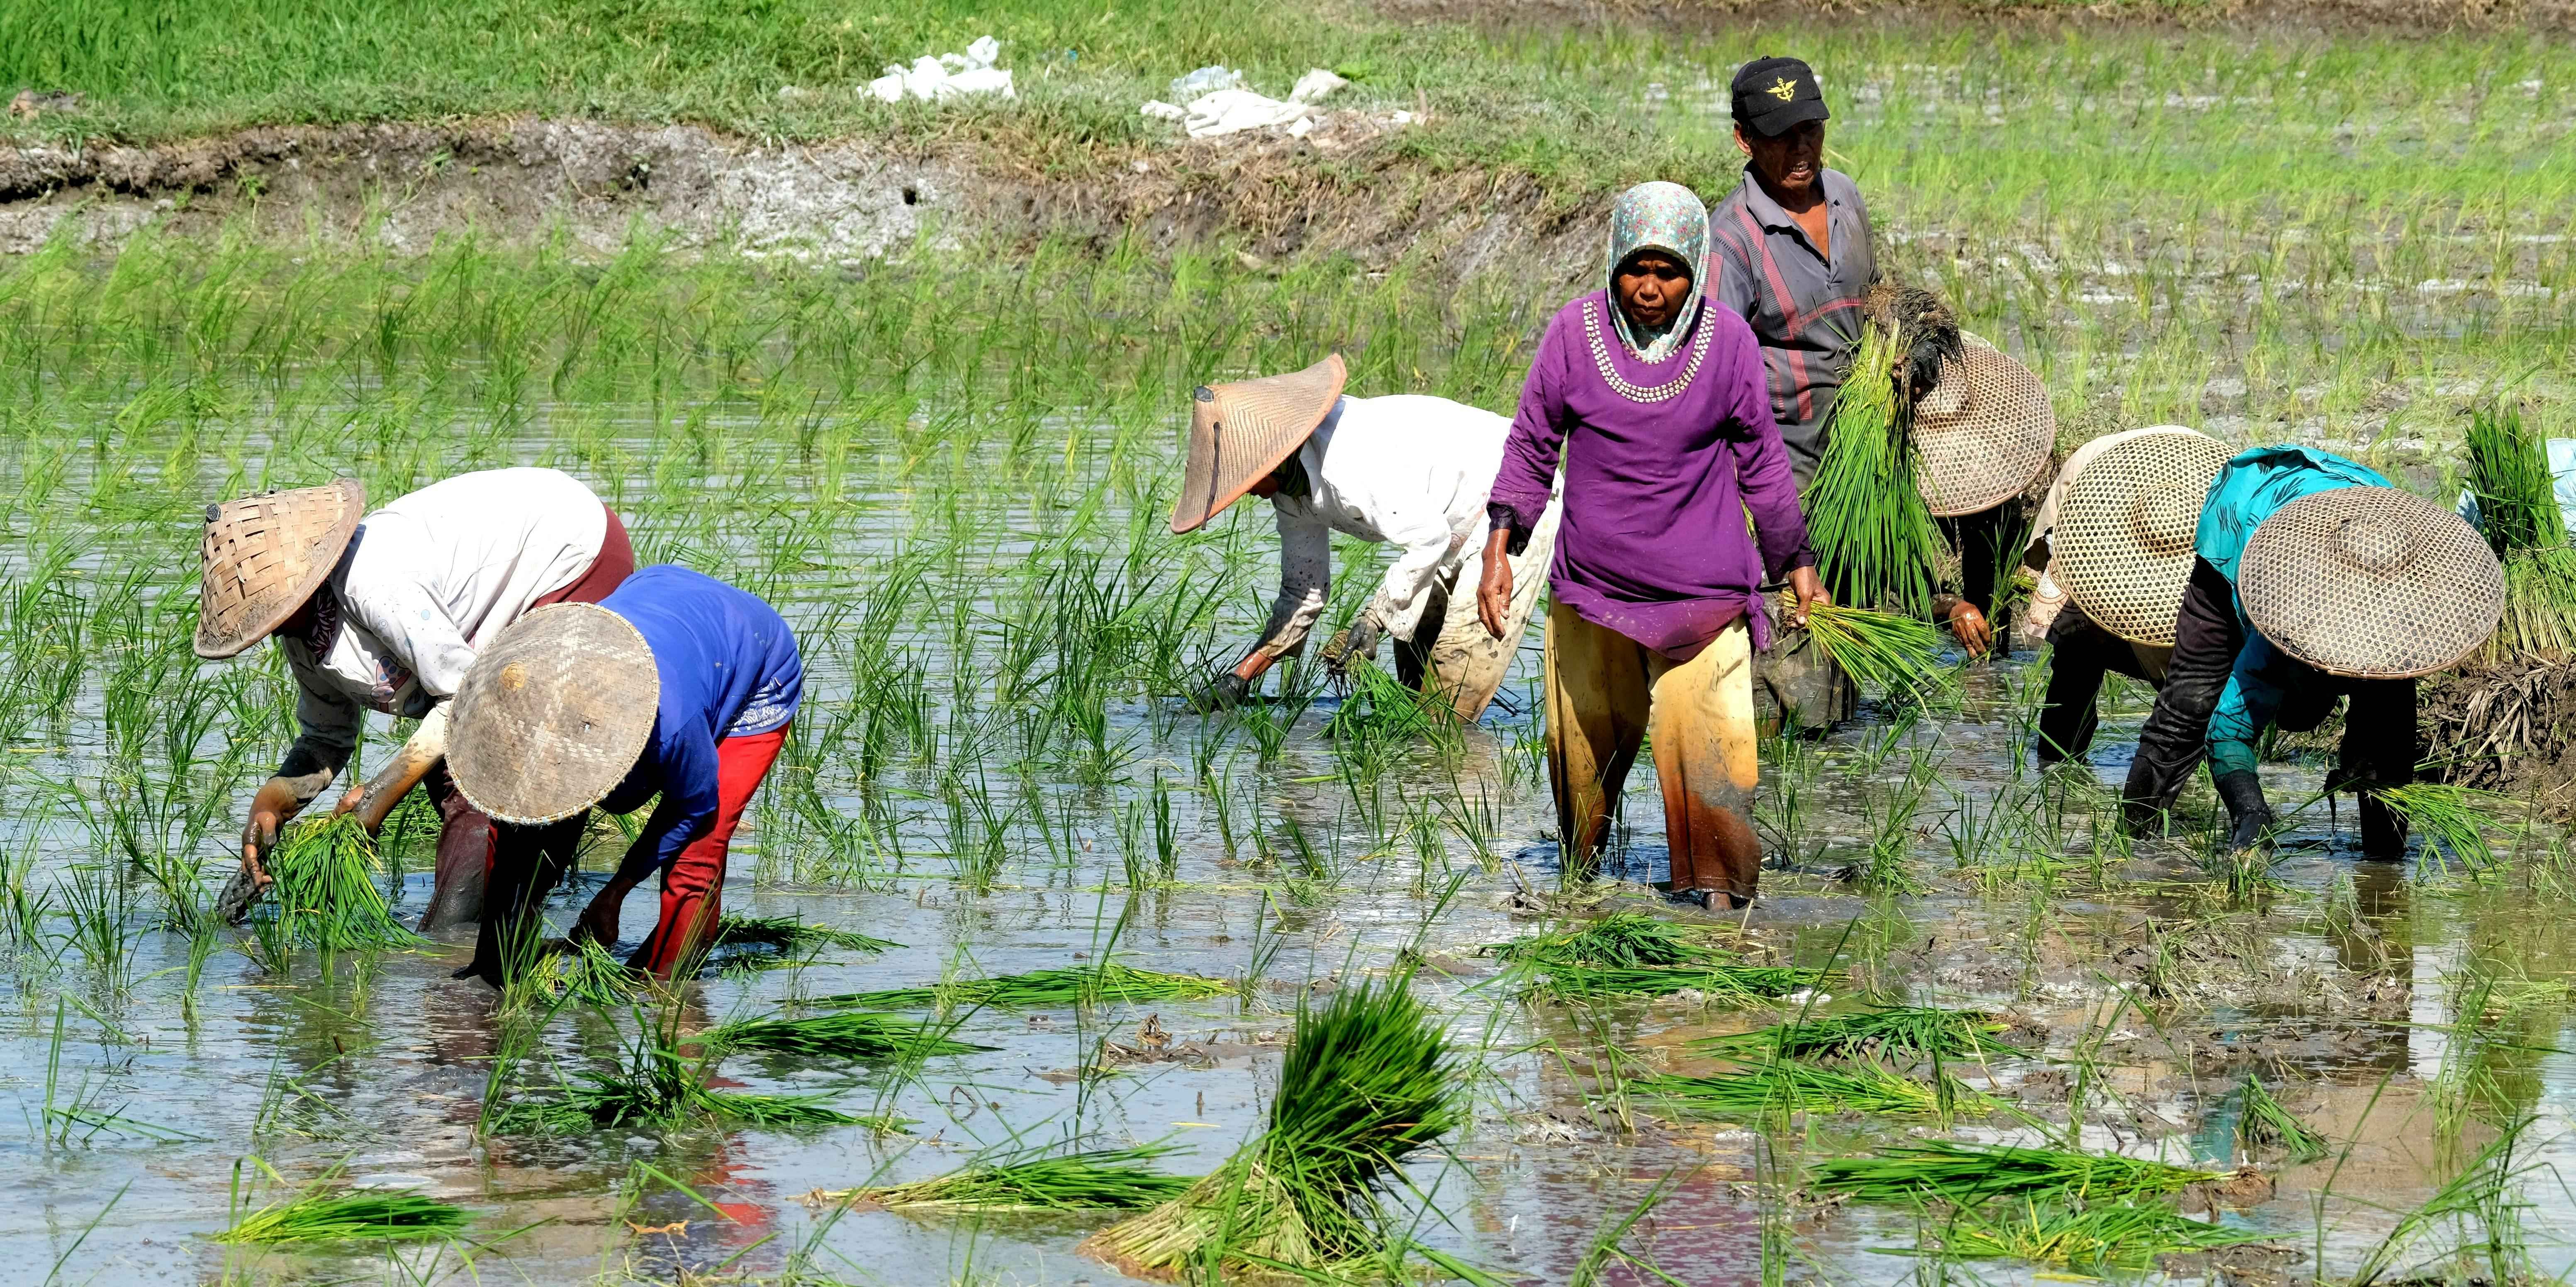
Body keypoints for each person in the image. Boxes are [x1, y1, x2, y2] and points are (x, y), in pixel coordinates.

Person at [1479, 180, 1828, 909]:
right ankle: (1580, 898)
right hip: (1594, 594)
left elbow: (1762, 460)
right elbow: (1532, 442)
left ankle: (1720, 912)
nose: (1648, 288)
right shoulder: (1573, 336)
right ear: (1613, 263)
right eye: (1636, 269)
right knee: (1582, 765)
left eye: (1667, 272)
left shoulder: (1729, 342)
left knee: (1713, 762)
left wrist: (1797, 563)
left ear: (1696, 270)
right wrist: (1497, 553)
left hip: (1703, 600)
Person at [198, 468, 633, 929]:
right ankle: (493, 917)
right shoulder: (300, 631)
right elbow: (326, 737)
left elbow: (463, 696)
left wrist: (377, 798)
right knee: (456, 770)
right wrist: (272, 802)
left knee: (493, 760)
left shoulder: (375, 580)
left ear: (306, 579)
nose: (270, 631)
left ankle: (466, 933)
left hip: (569, 553)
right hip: (479, 633)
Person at [2118, 448, 2502, 856]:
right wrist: (2251, 811)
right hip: (2245, 511)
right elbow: (2229, 731)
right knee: (2187, 707)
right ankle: (2129, 845)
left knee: (2386, 748)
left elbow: (2393, 761)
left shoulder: (2402, 628)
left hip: (2372, 521)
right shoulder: (2286, 620)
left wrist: (2383, 865)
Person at [445, 564, 803, 984]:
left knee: (696, 854)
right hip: (655, 594)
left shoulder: (673, 725)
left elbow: (695, 804)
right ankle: (501, 960)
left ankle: (666, 988)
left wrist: (615, 892)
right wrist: (492, 962)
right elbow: (515, 834)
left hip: (754, 659)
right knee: (528, 818)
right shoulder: (532, 697)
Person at [1171, 355, 1558, 722]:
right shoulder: (1290, 492)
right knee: (1411, 692)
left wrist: (1373, 619)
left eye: (1247, 480)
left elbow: (1429, 537)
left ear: (1272, 456)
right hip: (1443, 528)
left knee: (1447, 712)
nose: (1248, 493)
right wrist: (1239, 679)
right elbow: (1302, 593)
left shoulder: (1348, 460)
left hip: (1511, 500)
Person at [2016, 427, 2234, 765]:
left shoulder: (2219, 495)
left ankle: (2178, 763)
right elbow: (2056, 551)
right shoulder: (2089, 484)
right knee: (2076, 657)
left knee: (2189, 666)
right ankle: (2058, 769)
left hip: (2185, 508)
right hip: (2095, 499)